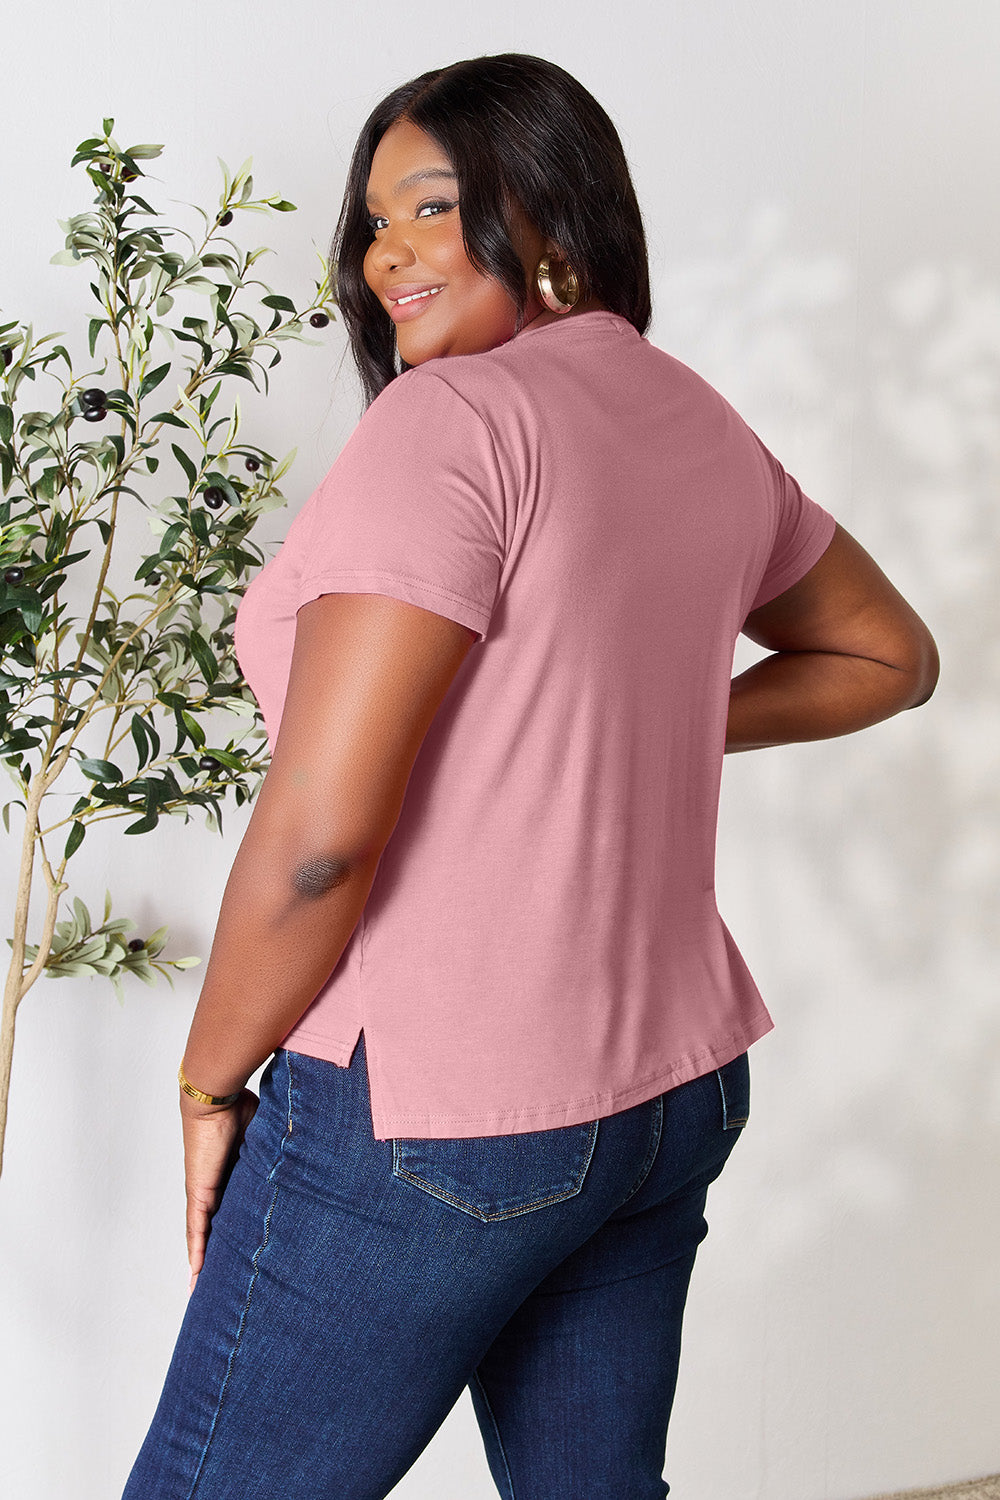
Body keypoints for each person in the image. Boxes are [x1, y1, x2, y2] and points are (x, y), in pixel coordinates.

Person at [122, 51, 939, 1500]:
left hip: (439, 1121)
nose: (387, 255)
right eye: (374, 222)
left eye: (431, 209)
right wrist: (629, 722)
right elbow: (887, 654)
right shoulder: (691, 416)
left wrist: (207, 1083)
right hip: (668, 1095)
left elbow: (320, 841)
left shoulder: (449, 429)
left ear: (549, 219)